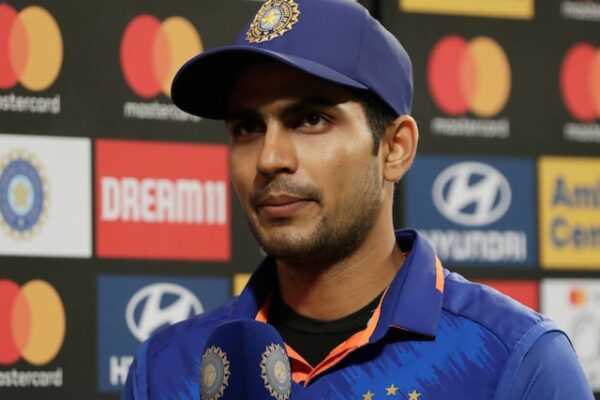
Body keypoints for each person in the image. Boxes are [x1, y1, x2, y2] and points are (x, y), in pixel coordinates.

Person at [122, 0, 594, 399]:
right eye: (248, 127)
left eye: (310, 120)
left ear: (395, 149)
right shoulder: (165, 369)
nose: (269, 158)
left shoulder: (517, 360)